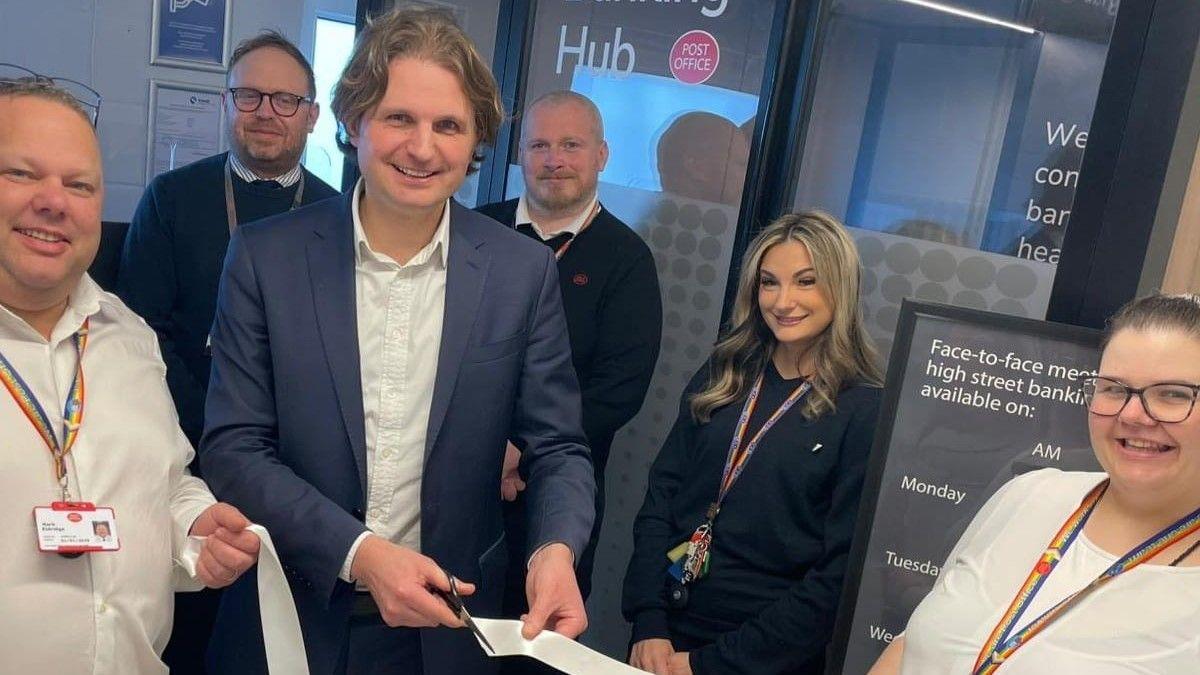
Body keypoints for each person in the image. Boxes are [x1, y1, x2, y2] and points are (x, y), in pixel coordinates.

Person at [199, 8, 595, 675]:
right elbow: (233, 447)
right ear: (355, 124)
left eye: (448, 126)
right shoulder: (266, 257)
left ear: (476, 143)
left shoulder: (520, 272)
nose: (422, 147)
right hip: (288, 615)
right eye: (398, 118)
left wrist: (554, 547)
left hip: (446, 633)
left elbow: (559, 447)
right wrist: (361, 551)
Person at [0, 75, 259, 674]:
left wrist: (195, 527)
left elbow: (164, 482)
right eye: (21, 173)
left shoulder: (127, 337)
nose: (53, 200)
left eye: (79, 184)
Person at [869, 293, 1200, 675]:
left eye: (1173, 395)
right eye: (1114, 388)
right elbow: (915, 643)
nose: (1132, 414)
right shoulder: (1029, 494)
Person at [623, 211, 883, 675]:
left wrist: (709, 665)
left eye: (806, 282)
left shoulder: (864, 408)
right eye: (769, 283)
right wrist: (648, 621)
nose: (784, 301)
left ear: (840, 289)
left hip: (760, 657)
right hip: (663, 636)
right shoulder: (724, 375)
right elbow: (661, 498)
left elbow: (836, 579)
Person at [476, 90, 662, 621]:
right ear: (520, 153)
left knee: (533, 643)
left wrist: (519, 450)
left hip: (556, 499)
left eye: (570, 145)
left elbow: (618, 389)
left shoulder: (627, 260)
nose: (554, 160)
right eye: (539, 144)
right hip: (455, 480)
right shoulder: (475, 230)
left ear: (601, 155)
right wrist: (483, 446)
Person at [117, 30, 338, 450]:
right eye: (248, 95)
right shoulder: (170, 198)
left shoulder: (340, 214)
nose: (265, 112)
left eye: (286, 100)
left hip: (297, 451)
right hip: (180, 435)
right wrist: (210, 426)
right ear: (226, 105)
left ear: (311, 116)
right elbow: (138, 331)